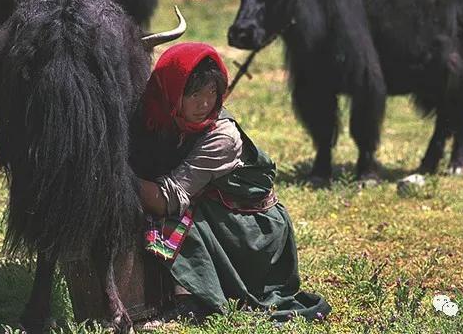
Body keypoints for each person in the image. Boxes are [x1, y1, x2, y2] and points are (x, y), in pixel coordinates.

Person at [132, 42, 330, 323]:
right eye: (194, 94)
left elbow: (168, 198)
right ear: (171, 91)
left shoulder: (221, 137)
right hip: (218, 212)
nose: (205, 104)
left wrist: (115, 178)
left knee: (175, 221)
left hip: (253, 231)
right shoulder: (159, 115)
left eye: (212, 92)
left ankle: (191, 301)